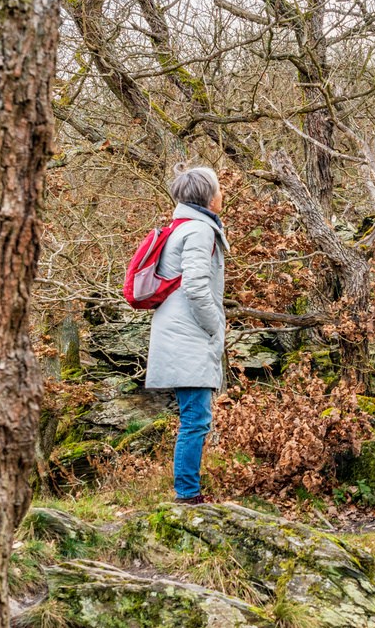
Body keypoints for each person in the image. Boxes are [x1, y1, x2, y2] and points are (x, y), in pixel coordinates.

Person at [145, 163, 229, 504]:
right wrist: (215, 325)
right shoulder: (199, 230)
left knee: (194, 416)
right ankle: (187, 496)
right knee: (196, 418)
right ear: (208, 197)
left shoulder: (185, 227)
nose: (223, 193)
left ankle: (187, 493)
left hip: (180, 330)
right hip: (189, 333)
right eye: (218, 187)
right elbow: (196, 287)